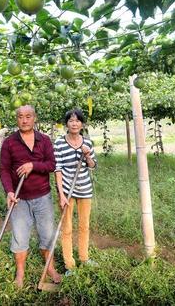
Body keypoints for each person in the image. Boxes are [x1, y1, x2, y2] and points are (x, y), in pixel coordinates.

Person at [0, 104, 62, 288]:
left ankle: (49, 268)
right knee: (19, 236)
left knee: (47, 234)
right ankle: (20, 273)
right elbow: (3, 170)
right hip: (19, 199)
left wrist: (33, 165)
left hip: (43, 196)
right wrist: (9, 191)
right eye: (20, 116)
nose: (24, 120)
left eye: (28, 116)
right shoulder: (10, 142)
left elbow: (51, 164)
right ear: (16, 119)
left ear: (34, 118)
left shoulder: (44, 140)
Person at [54, 108, 97, 273]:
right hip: (67, 191)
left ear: (82, 124)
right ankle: (69, 264)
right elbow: (57, 169)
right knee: (67, 228)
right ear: (66, 124)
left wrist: (87, 156)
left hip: (84, 189)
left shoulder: (87, 142)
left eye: (77, 120)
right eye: (71, 121)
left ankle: (84, 258)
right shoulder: (59, 143)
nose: (74, 123)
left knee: (84, 225)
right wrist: (61, 194)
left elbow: (93, 166)